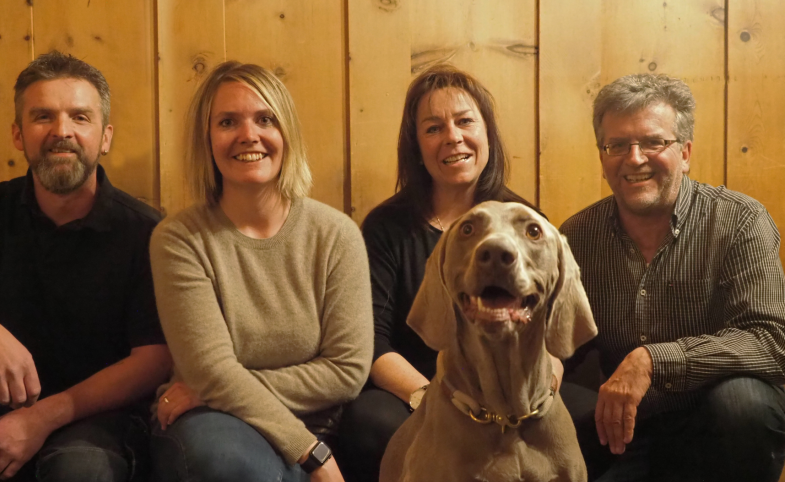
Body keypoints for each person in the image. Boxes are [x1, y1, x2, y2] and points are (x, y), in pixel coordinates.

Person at [0, 51, 171, 482]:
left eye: (80, 117)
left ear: (105, 137)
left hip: (99, 416)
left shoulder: (147, 232)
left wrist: (42, 418)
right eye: (43, 116)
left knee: (79, 471)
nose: (62, 131)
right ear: (18, 134)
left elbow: (154, 359)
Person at [335, 64, 569, 482]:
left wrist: (545, 386)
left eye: (464, 121)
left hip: (516, 390)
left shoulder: (528, 222)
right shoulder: (387, 228)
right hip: (417, 388)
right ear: (417, 147)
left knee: (587, 414)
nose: (452, 137)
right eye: (433, 128)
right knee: (368, 420)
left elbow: (553, 326)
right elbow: (372, 342)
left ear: (487, 135)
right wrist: (435, 400)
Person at [147, 60, 373, 482]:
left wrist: (214, 391)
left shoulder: (336, 234)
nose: (248, 135)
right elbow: (211, 371)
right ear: (206, 139)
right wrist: (312, 454)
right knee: (225, 461)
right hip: (221, 426)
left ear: (286, 133)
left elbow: (347, 370)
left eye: (265, 119)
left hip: (306, 416)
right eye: (227, 122)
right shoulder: (179, 239)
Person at [560, 73, 785, 481]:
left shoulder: (739, 221)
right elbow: (562, 343)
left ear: (685, 153)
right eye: (617, 145)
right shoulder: (577, 236)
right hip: (625, 432)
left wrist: (652, 360)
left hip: (716, 433)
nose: (634, 158)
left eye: (653, 142)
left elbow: (771, 340)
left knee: (742, 402)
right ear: (602, 157)